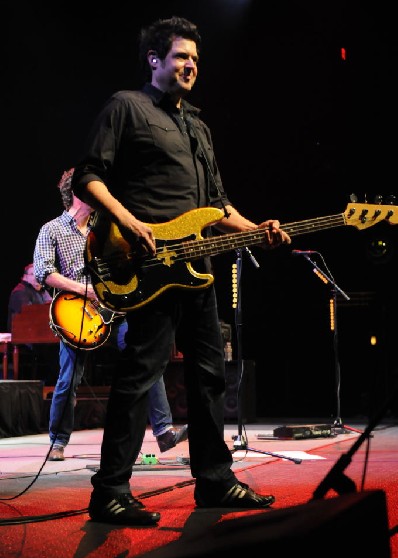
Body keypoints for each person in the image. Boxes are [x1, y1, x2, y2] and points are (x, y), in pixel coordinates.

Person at [72, 15, 291, 526]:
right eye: (180, 57)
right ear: (155, 60)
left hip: (197, 268)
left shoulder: (198, 125)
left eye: (195, 58)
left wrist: (259, 228)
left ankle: (214, 481)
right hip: (146, 266)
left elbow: (216, 205)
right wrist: (129, 222)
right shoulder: (126, 106)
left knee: (209, 376)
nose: (191, 65)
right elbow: (88, 176)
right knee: (139, 373)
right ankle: (109, 490)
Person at [33, 167, 187, 461]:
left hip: (114, 309)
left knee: (145, 357)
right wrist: (84, 290)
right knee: (69, 377)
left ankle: (164, 432)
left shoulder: (104, 229)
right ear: (78, 193)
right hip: (77, 311)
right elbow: (44, 273)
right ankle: (58, 441)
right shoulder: (51, 229)